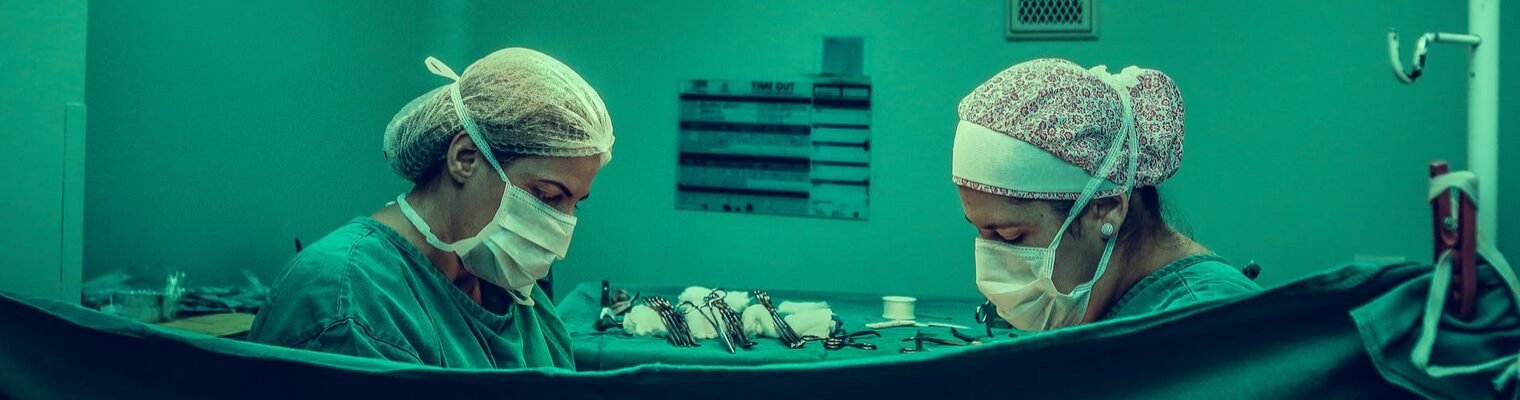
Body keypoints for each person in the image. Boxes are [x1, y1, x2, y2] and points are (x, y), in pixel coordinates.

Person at [248, 47, 613, 369]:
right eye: (547, 196)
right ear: (465, 158)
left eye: (574, 205)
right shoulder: (346, 299)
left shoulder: (516, 298)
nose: (560, 232)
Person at [953, 58, 1258, 332]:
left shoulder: (1205, 325)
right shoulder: (1103, 306)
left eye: (1010, 236)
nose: (988, 271)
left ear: (1107, 208)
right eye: (982, 233)